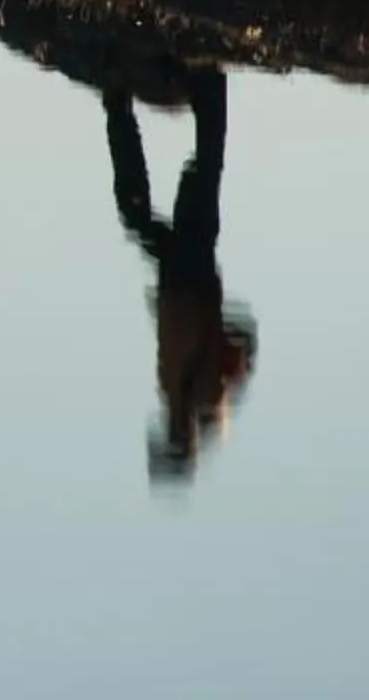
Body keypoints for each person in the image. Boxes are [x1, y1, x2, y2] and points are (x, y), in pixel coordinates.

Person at [103, 69, 258, 483]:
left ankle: (118, 99)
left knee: (142, 206)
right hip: (194, 277)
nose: (170, 430)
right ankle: (208, 91)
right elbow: (240, 346)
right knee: (201, 171)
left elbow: (179, 341)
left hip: (175, 278)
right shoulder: (208, 402)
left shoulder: (179, 394)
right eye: (172, 439)